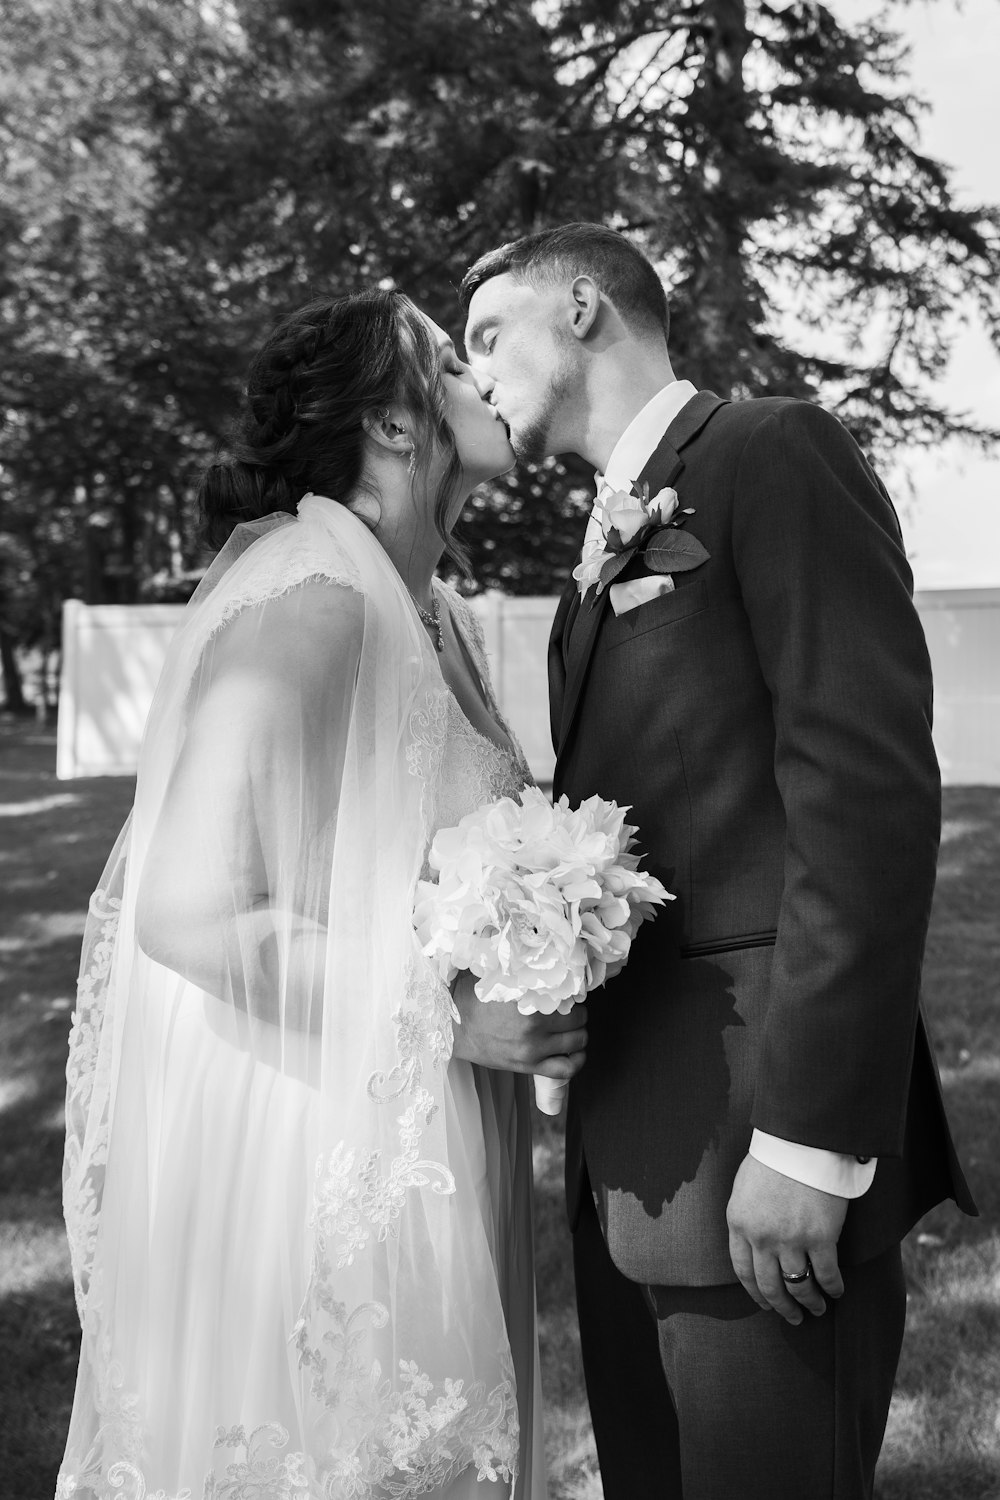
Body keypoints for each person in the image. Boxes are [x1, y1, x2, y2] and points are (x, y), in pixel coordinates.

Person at [459, 223, 977, 1500]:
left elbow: (864, 798)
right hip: (630, 1168)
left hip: (764, 1158)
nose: (469, 375)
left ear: (580, 309)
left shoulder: (771, 451)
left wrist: (806, 1144)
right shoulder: (585, 574)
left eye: (484, 336)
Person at [57, 288, 576, 1498]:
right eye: (453, 363)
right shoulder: (316, 594)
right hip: (315, 1139)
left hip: (413, 1110)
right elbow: (188, 908)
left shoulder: (424, 607)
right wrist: (451, 1009)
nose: (484, 379)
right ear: (394, 429)